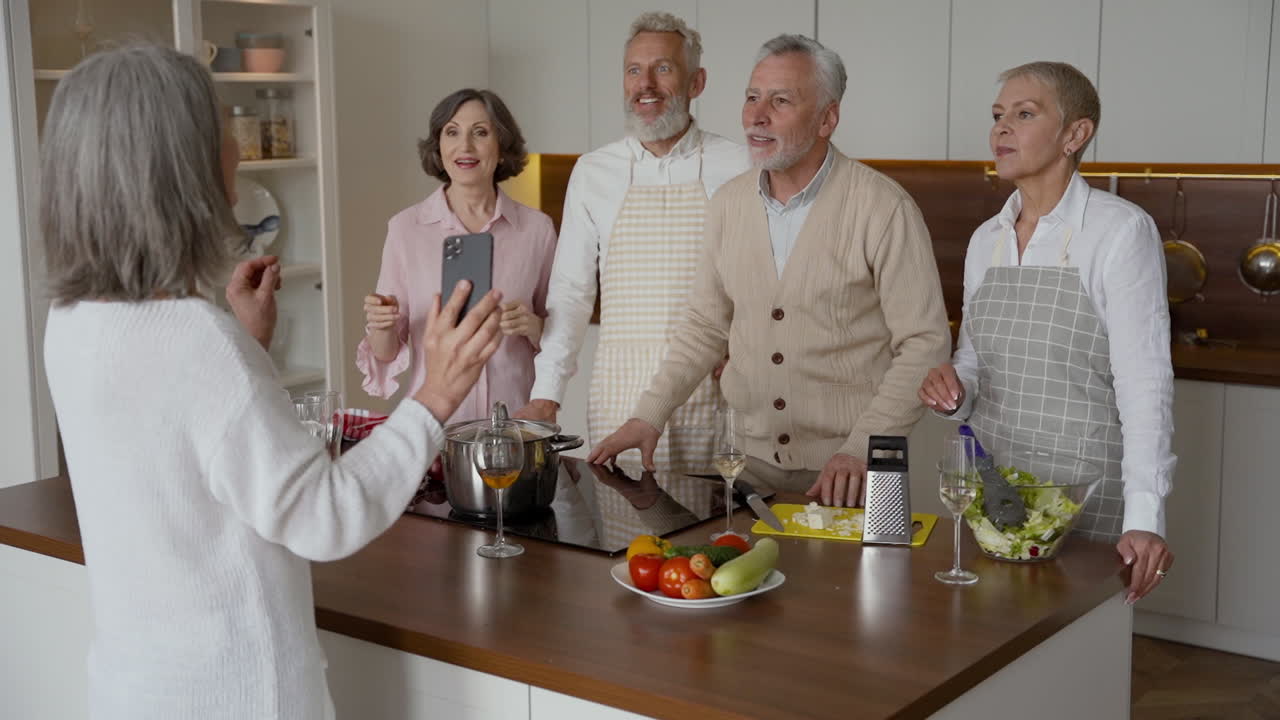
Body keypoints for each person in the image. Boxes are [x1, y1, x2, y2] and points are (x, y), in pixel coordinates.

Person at [40, 45, 504, 719]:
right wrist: (434, 397)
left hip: (133, 689)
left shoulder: (72, 320)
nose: (234, 147)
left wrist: (244, 344)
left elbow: (179, 441)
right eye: (219, 131)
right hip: (238, 696)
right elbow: (326, 517)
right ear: (180, 166)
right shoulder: (199, 345)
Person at [588, 35, 950, 507]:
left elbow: (925, 345)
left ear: (827, 118)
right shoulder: (728, 205)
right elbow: (703, 326)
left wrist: (862, 448)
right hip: (750, 465)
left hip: (852, 471)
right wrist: (649, 415)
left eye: (780, 101)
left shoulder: (884, 209)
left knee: (847, 584)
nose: (756, 116)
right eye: (752, 97)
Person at [917, 61, 1174, 603]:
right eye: (996, 115)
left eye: (1024, 114)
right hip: (995, 494)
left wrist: (1146, 515)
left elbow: (1144, 382)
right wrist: (951, 391)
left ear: (1075, 134)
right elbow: (974, 363)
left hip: (1082, 498)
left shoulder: (1119, 231)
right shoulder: (985, 238)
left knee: (1073, 666)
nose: (1000, 129)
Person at [515, 11, 750, 474]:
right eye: (633, 70)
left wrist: (746, 348)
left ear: (697, 82)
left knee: (718, 537)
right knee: (627, 538)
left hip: (715, 391)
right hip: (619, 396)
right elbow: (571, 293)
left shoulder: (741, 165)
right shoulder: (592, 172)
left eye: (663, 68)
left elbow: (769, 279)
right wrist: (545, 395)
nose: (646, 84)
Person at [359, 88, 556, 423]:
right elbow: (387, 351)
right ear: (438, 145)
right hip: (434, 429)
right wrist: (381, 325)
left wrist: (535, 326)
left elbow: (559, 340)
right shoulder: (405, 229)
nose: (464, 147)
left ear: (502, 146)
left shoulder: (537, 230)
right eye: (452, 132)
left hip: (515, 427)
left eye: (480, 132)